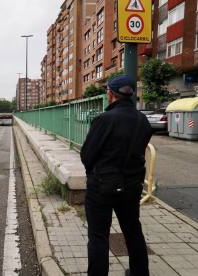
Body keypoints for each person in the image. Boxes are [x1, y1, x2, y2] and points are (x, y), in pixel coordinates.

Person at [80, 75, 152, 276]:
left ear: (111, 94)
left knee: (98, 236)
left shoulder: (104, 119)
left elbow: (87, 155)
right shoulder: (142, 119)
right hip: (132, 185)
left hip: (102, 186)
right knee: (133, 231)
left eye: (106, 91)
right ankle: (139, 273)